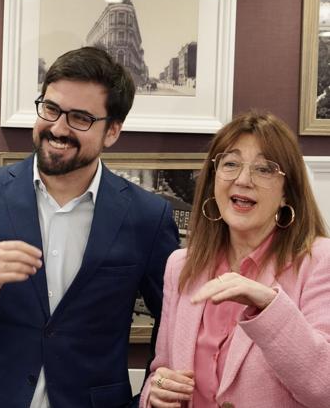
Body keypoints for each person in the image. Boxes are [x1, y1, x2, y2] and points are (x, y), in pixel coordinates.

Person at [0, 46, 180, 408]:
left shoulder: (148, 216)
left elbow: (174, 323)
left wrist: (151, 390)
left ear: (112, 131)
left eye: (80, 117)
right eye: (51, 109)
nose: (58, 128)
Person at [140, 111, 330, 408]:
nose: (243, 180)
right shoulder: (181, 265)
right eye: (230, 164)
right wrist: (156, 392)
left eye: (264, 169)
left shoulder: (319, 261)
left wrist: (268, 304)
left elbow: (324, 389)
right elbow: (160, 372)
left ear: (286, 193)